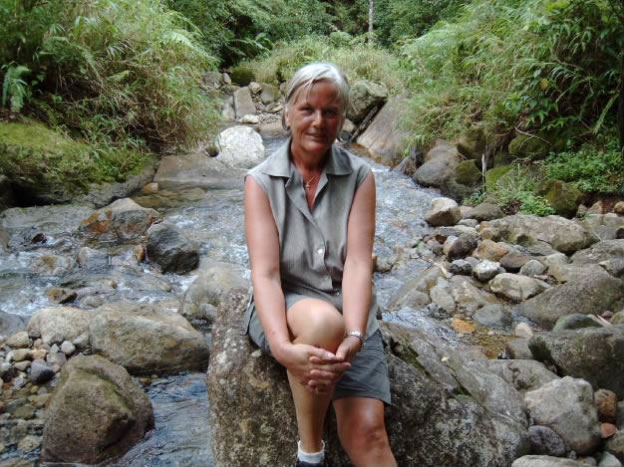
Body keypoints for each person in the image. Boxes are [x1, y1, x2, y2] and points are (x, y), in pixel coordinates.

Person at [243, 62, 397, 467]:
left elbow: (358, 264)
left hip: (348, 306)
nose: (318, 121)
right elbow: (266, 274)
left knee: (369, 433)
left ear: (342, 119)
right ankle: (310, 455)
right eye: (307, 109)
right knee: (322, 322)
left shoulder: (359, 177)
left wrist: (356, 334)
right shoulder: (260, 181)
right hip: (286, 303)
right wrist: (282, 347)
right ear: (287, 114)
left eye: (330, 112)